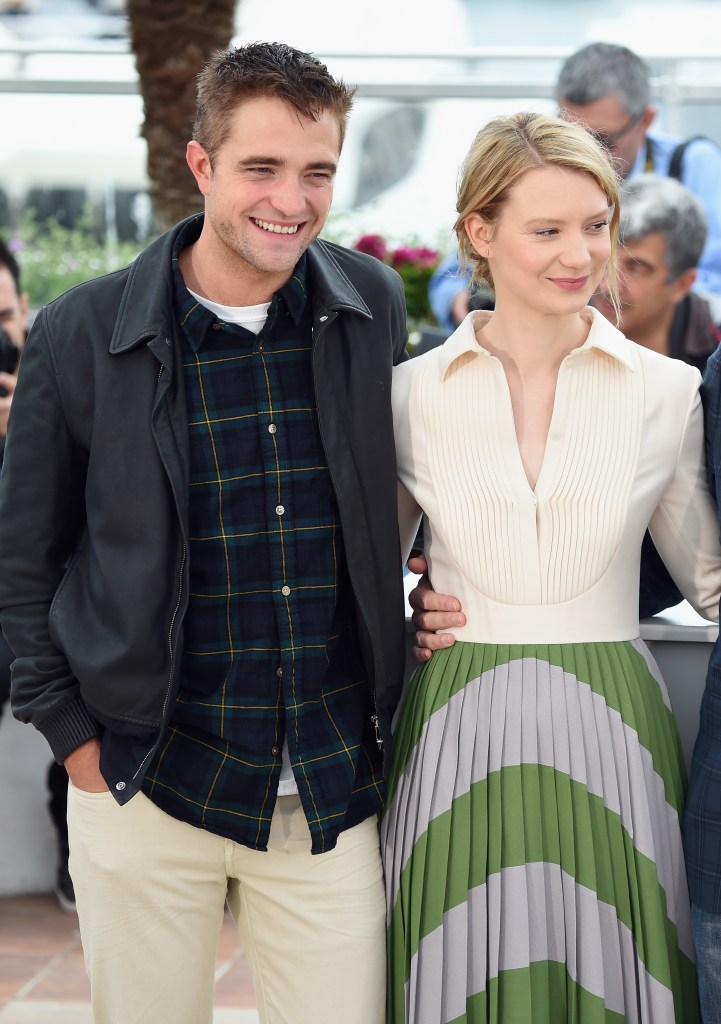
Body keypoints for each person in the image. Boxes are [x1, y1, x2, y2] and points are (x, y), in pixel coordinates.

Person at [0, 42, 412, 1024]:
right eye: (261, 168)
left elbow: (404, 489)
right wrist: (75, 741)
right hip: (143, 777)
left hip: (326, 783)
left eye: (316, 171)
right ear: (201, 164)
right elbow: (22, 562)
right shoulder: (79, 333)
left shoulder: (371, 307)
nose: (291, 200)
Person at [384, 110, 721, 1023]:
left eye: (595, 225)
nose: (580, 255)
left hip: (615, 730)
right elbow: (362, 576)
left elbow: (709, 584)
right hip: (454, 728)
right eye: (547, 230)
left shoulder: (667, 392)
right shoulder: (407, 394)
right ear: (479, 233)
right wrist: (408, 609)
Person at [429, 41, 721, 333]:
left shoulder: (694, 164)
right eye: (571, 134)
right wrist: (464, 304)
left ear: (646, 121)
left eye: (603, 141)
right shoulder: (538, 166)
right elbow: (456, 271)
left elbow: (713, 278)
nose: (585, 153)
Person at [0, 237, 75, 912]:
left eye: (3, 317)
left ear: (23, 307)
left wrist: (26, 429)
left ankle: (75, 857)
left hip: (48, 611)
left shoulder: (58, 381)